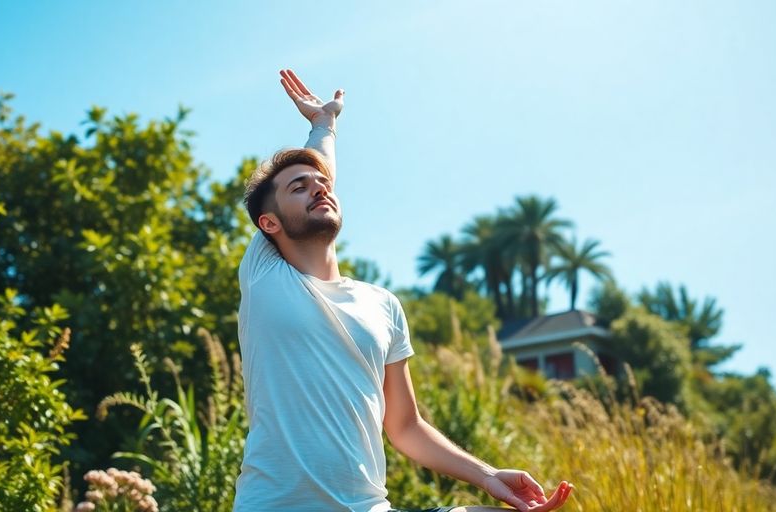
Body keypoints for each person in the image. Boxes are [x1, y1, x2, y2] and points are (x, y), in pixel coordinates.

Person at [233, 69, 574, 512]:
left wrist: (490, 477)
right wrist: (322, 128)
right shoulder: (265, 276)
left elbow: (405, 427)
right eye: (299, 187)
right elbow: (316, 172)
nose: (319, 187)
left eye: (323, 185)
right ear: (269, 225)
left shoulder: (383, 305)